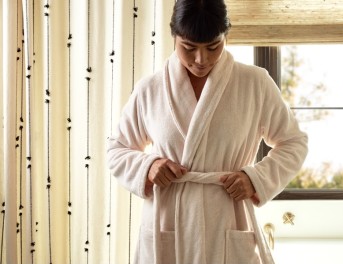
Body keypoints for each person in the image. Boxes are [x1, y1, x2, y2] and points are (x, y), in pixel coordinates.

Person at [107, 0, 308, 263]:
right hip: (168, 219)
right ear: (174, 38)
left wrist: (255, 178)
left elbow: (294, 143)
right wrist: (148, 166)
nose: (201, 60)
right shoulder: (150, 89)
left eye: (213, 47)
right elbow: (117, 150)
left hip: (227, 217)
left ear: (226, 37)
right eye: (188, 48)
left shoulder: (254, 83)